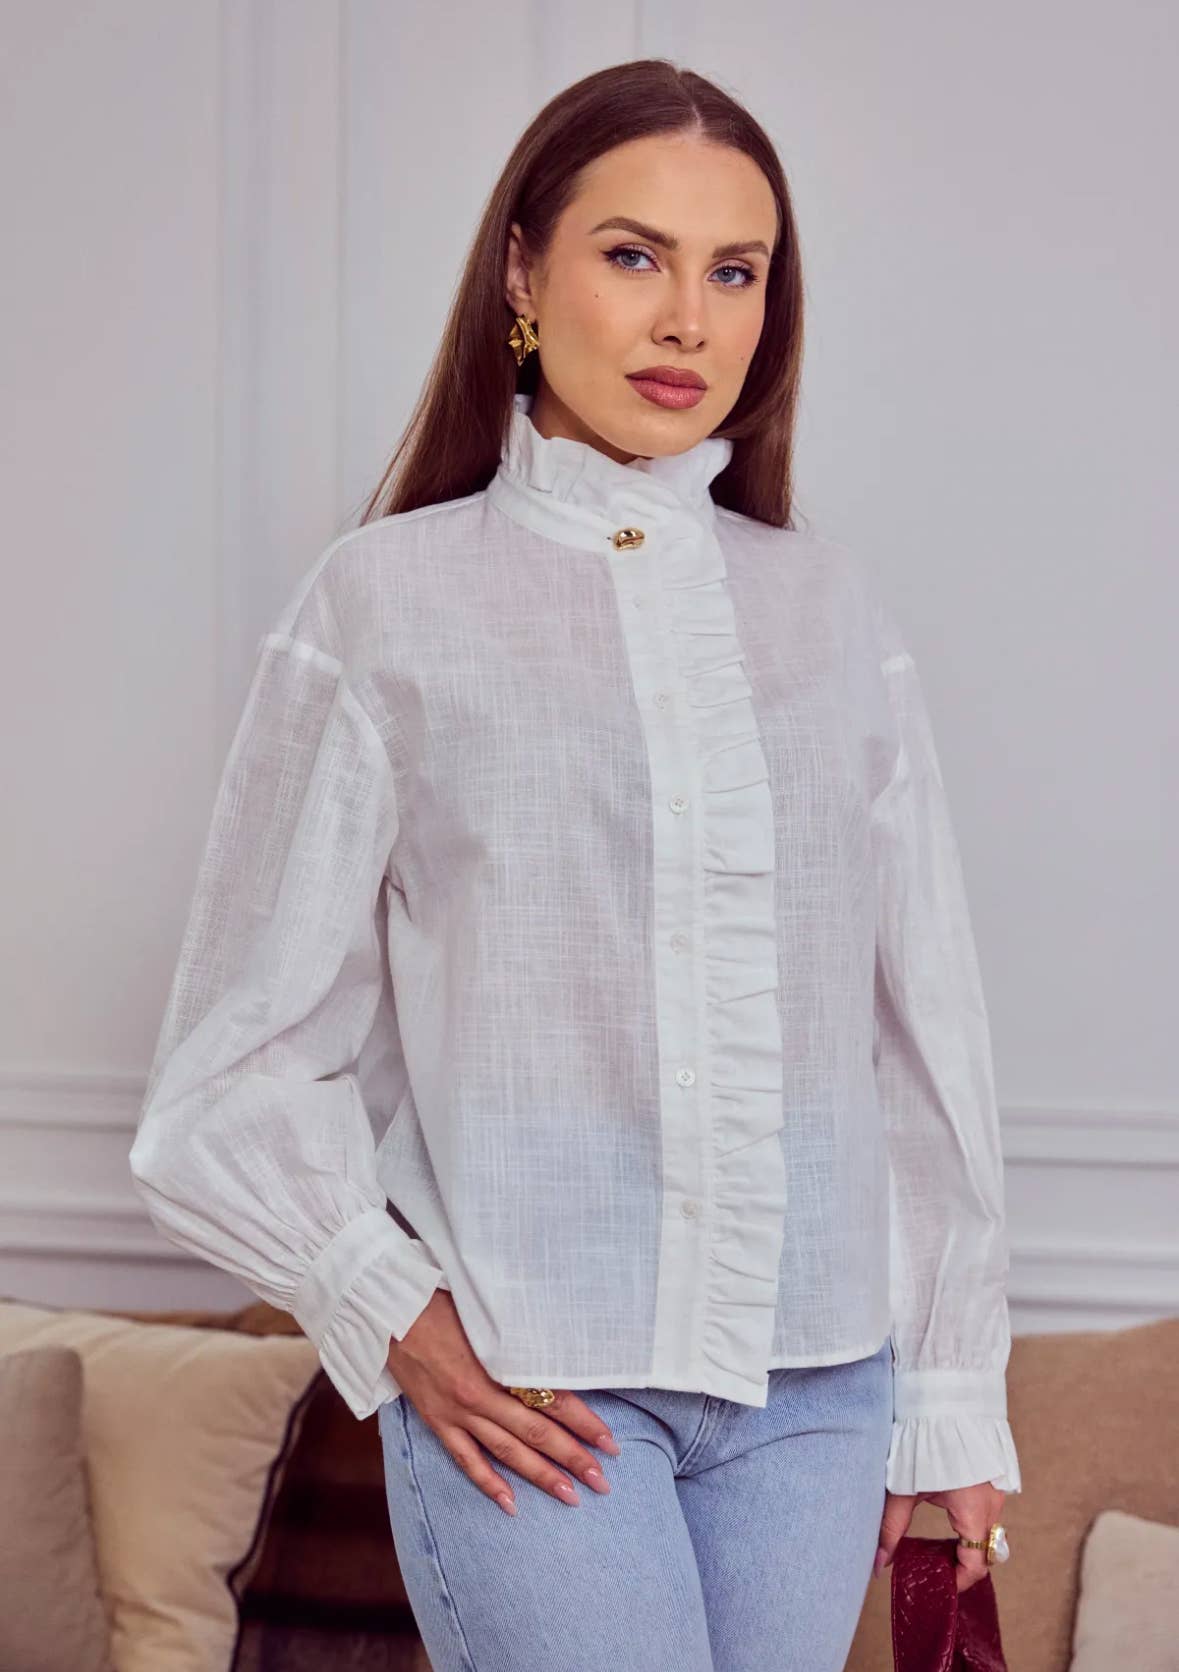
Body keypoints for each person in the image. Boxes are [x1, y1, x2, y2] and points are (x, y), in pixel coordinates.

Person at [129, 57, 1020, 1672]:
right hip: (540, 1386)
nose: (687, 319)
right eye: (633, 255)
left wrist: (948, 1393)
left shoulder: (831, 615)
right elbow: (230, 1064)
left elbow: (917, 1038)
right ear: (524, 275)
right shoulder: (384, 604)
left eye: (735, 271)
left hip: (820, 1394)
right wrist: (392, 1312)